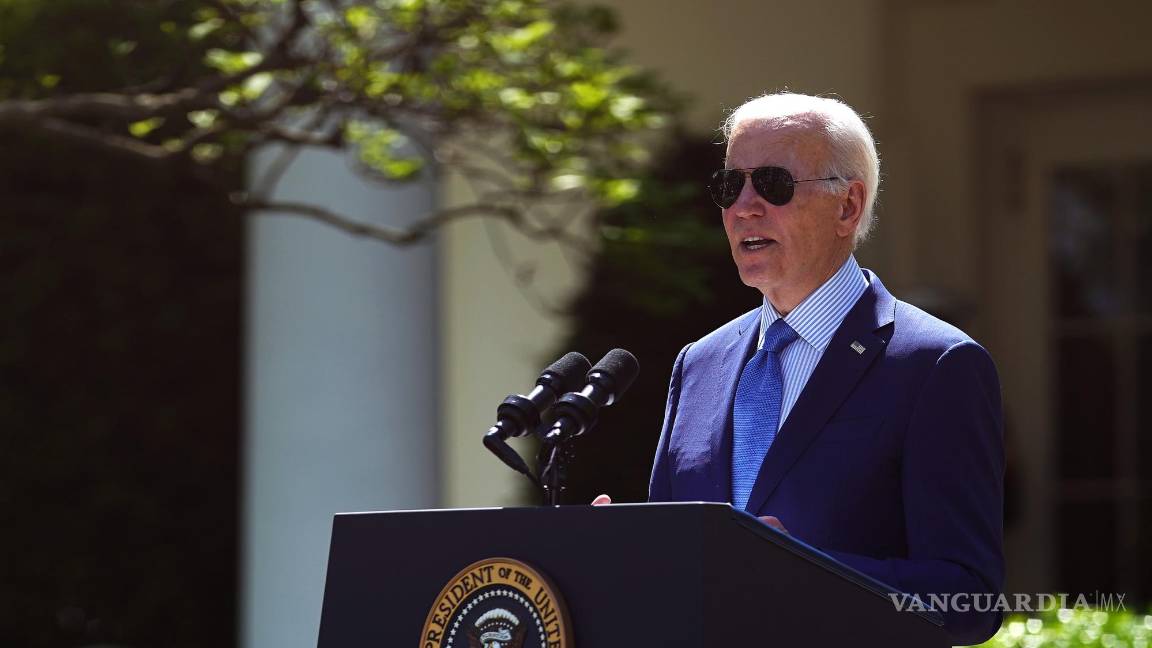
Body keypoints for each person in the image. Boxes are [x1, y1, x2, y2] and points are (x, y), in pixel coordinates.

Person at [599, 92, 1004, 645]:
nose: (744, 207)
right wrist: (625, 549)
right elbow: (683, 573)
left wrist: (804, 571)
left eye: (772, 184)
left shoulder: (936, 364)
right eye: (729, 187)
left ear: (848, 207)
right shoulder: (699, 362)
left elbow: (970, 600)